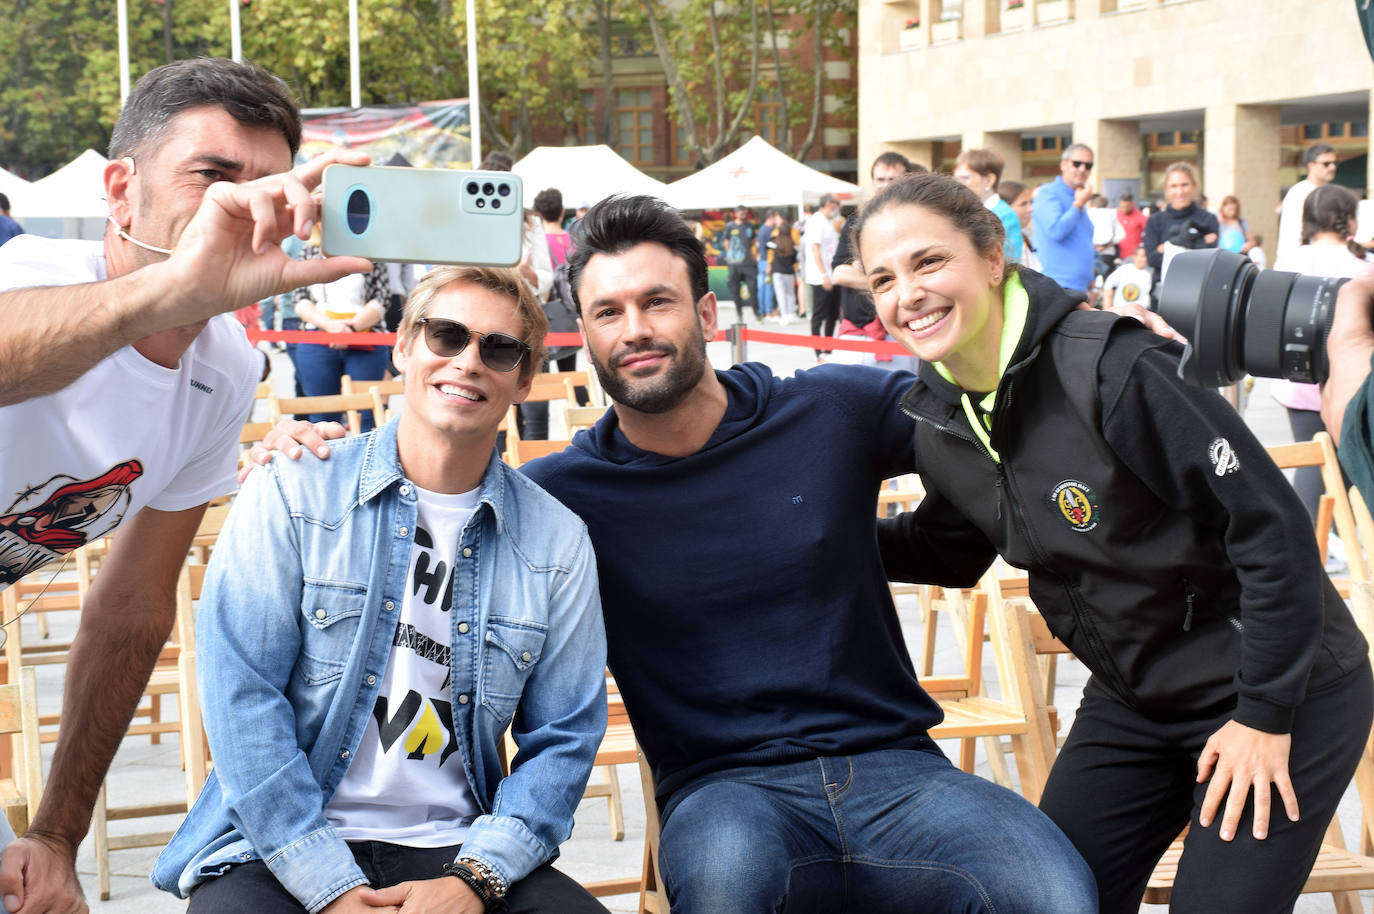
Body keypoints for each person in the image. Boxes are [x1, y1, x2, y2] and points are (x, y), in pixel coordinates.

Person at [252, 194, 1101, 914]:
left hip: (897, 770)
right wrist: (303, 450)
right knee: (729, 888)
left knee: (1057, 890)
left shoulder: (829, 411)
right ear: (580, 335)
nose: (635, 331)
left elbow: (981, 398)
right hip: (724, 791)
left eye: (657, 303)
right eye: (608, 313)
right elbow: (427, 502)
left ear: (705, 312)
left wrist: (1085, 340)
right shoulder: (561, 502)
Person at [854, 172, 1373, 914]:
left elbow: (1272, 528)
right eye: (884, 278)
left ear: (992, 257)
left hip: (1277, 690)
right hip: (1136, 700)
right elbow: (948, 549)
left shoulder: (1112, 366)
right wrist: (817, 538)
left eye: (929, 262)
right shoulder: (942, 413)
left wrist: (1263, 716)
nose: (908, 293)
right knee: (1045, 898)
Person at [0, 57, 371, 914]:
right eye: (210, 177)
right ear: (121, 191)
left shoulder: (226, 368)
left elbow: (132, 605)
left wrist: (57, 837)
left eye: (265, 186)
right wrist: (170, 289)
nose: (238, 208)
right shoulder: (25, 278)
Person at [151, 266, 609, 914]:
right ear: (402, 346)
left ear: (525, 377)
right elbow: (241, 696)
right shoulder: (296, 488)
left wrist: (475, 880)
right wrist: (328, 884)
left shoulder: (556, 542)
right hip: (282, 842)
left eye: (498, 348)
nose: (469, 361)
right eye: (446, 336)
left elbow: (562, 738)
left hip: (460, 845)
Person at [1271, 183, 1372, 521]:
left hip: (1295, 379)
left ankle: (1315, 542)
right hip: (1352, 381)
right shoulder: (1362, 265)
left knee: (1312, 459)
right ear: (1348, 219)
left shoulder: (1289, 261)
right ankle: (1341, 539)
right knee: (1350, 462)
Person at [292, 224, 392, 430]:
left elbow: (382, 297)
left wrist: (351, 330)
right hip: (317, 339)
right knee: (322, 418)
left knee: (367, 413)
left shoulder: (371, 251)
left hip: (366, 338)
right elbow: (299, 298)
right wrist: (330, 326)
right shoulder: (308, 251)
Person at [1031, 142, 1095, 294]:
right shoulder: (1048, 193)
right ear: (1063, 165)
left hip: (1079, 287)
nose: (1082, 169)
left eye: (1088, 165)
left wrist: (1090, 279)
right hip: (1056, 285)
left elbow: (1083, 240)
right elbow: (1056, 230)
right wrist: (1078, 204)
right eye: (1077, 163)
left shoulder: (1077, 197)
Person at [1142, 162, 1218, 283]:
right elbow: (1152, 259)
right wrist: (1193, 244)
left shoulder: (1208, 219)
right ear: (1166, 189)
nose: (1180, 191)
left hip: (1197, 288)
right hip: (1163, 292)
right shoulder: (1155, 221)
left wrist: (1167, 247)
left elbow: (1207, 259)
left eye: (1184, 185)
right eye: (1174, 186)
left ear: (1194, 185)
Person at [952, 147, 1022, 264]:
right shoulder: (961, 210)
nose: (958, 184)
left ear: (989, 180)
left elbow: (1010, 261)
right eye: (956, 178)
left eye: (965, 178)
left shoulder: (1005, 215)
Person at [1277, 142, 1339, 265]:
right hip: (1298, 265)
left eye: (1335, 163)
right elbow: (1299, 233)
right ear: (1311, 166)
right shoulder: (1299, 193)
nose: (1332, 167)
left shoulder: (1328, 191)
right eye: (1326, 164)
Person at [803, 193, 843, 358]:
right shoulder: (816, 220)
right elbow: (815, 249)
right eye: (836, 203)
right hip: (821, 277)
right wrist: (824, 275)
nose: (838, 207)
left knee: (832, 315)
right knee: (819, 315)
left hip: (832, 275)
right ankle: (818, 352)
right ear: (828, 204)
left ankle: (828, 349)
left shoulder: (828, 222)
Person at [717, 205, 758, 323]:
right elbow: (726, 241)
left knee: (753, 288)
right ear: (736, 213)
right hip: (734, 265)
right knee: (735, 290)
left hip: (748, 264)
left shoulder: (750, 225)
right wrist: (729, 255)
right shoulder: (730, 226)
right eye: (740, 212)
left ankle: (756, 313)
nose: (743, 214)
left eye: (744, 212)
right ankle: (739, 314)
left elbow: (754, 241)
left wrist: (753, 253)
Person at [766, 210, 799, 322]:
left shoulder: (774, 243)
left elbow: (767, 246)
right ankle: (792, 313)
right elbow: (795, 258)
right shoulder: (792, 246)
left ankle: (784, 314)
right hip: (789, 271)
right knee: (790, 293)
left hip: (777, 271)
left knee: (781, 293)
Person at [998, 179, 1039, 271]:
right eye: (1023, 204)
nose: (1030, 209)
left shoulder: (1023, 237)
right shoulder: (1003, 242)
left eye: (1031, 202)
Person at [1101, 245, 1152, 310]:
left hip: (1137, 311)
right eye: (1142, 256)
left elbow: (1145, 295)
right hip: (1120, 309)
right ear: (1134, 257)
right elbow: (1108, 285)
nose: (1144, 259)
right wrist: (1107, 310)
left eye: (1146, 256)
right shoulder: (1124, 269)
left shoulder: (1148, 274)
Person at [1115, 190, 1146, 262]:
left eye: (1127, 206)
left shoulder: (1140, 216)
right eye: (1123, 206)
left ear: (1132, 203)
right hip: (1118, 255)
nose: (1125, 209)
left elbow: (1149, 233)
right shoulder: (1117, 215)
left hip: (1133, 256)